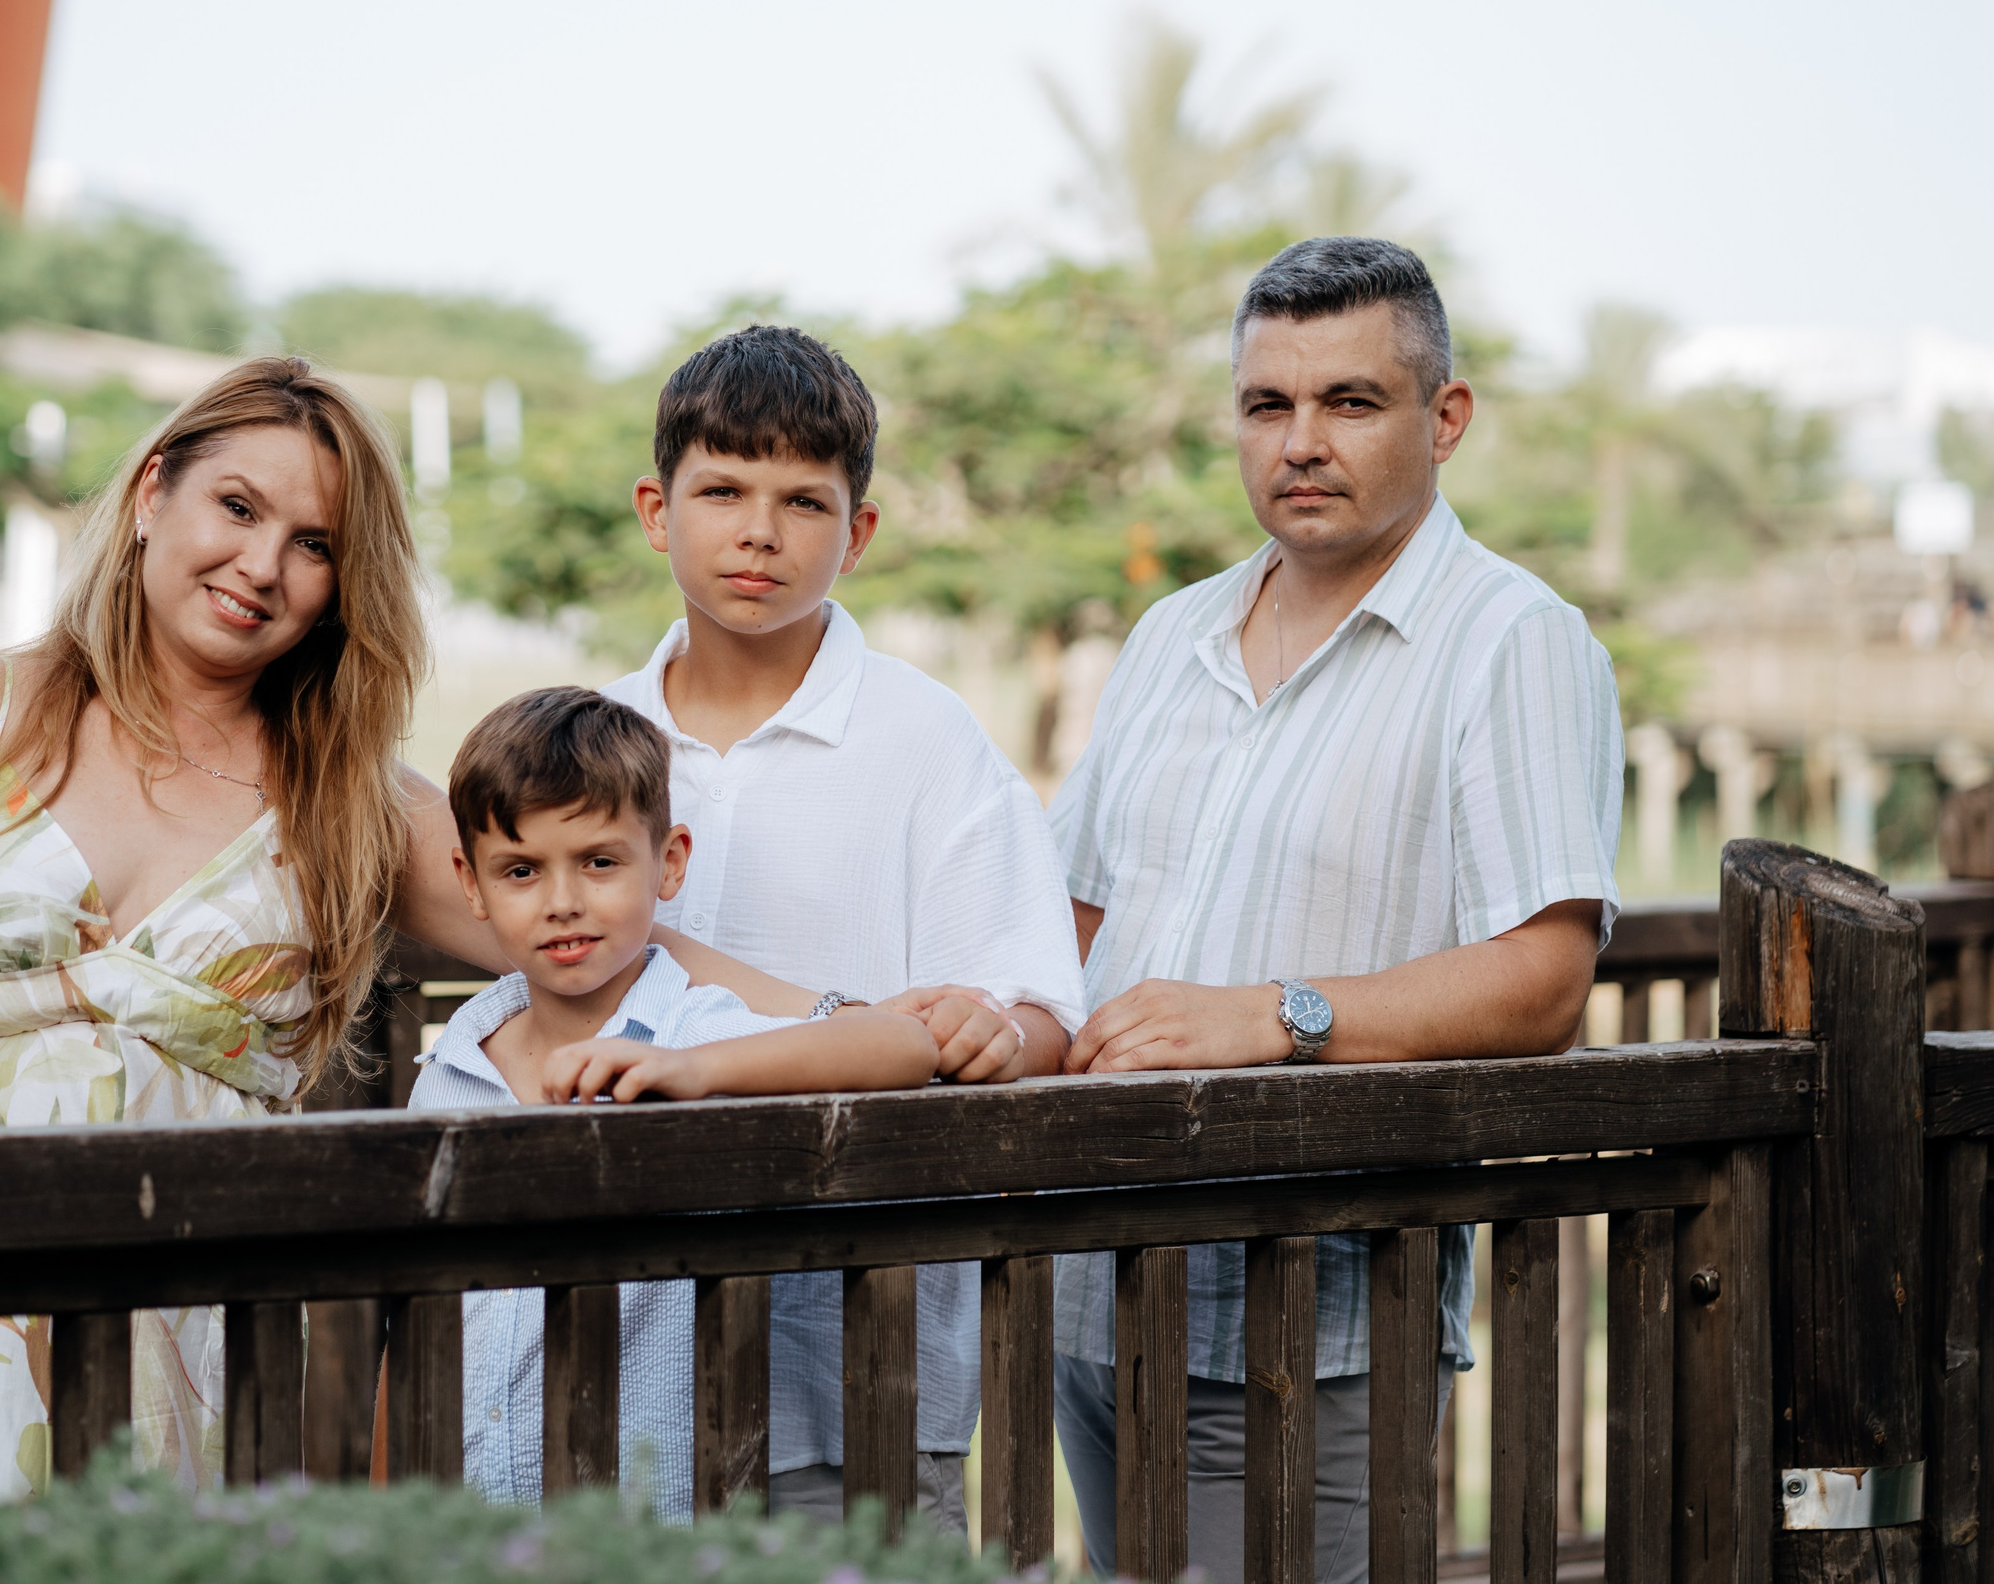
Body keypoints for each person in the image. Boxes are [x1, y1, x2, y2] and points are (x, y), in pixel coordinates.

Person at [0, 358, 922, 1512]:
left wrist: (851, 1025)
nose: (262, 566)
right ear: (155, 488)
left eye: (314, 544)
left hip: (185, 1322)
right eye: (237, 507)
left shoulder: (347, 802)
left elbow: (599, 924)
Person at [1047, 238, 1624, 1583]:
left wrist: (1272, 1016)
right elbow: (1070, 918)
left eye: (1350, 402)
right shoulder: (1169, 634)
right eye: (1268, 405)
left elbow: (1543, 975)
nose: (1301, 442)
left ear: (1445, 417)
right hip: (1085, 1278)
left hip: (1308, 1308)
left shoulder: (1511, 638)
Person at [600, 324, 1089, 1535]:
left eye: (802, 501)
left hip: (861, 1354)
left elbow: (1038, 1011)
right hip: (616, 1341)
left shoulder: (928, 744)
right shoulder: (592, 740)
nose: (757, 530)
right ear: (658, 511)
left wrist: (991, 1036)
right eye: (720, 490)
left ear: (855, 534)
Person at [409, 686, 939, 1521]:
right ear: (469, 884)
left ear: (671, 861)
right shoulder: (452, 1063)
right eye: (520, 870)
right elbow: (415, 1318)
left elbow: (904, 1045)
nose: (562, 901)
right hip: (467, 1523)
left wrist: (694, 1069)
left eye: (600, 861)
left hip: (648, 1526)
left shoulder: (693, 1030)